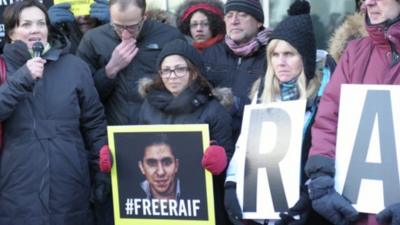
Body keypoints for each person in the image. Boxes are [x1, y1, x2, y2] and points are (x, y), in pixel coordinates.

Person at [223, 1, 332, 225]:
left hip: (304, 209)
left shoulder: (323, 100)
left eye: (289, 54)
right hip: (261, 209)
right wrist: (232, 184)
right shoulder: (261, 93)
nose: (280, 62)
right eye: (275, 54)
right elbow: (245, 146)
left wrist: (308, 196)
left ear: (305, 58)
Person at [0, 0, 108, 224]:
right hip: (15, 189)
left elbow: (94, 123)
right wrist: (22, 78)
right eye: (26, 24)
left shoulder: (75, 66)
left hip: (70, 185)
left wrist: (101, 175)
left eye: (41, 23)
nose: (35, 30)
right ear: (11, 32)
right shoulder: (3, 68)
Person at [305, 0, 400, 225]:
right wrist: (320, 178)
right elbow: (329, 118)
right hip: (355, 212)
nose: (368, 2)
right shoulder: (354, 52)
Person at [76, 0, 184, 126]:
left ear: (144, 17)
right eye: (117, 26)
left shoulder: (169, 36)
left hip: (161, 126)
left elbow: (188, 83)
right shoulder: (93, 39)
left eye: (132, 26)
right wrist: (110, 70)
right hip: (114, 128)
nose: (125, 33)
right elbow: (84, 95)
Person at [202, 0, 272, 142]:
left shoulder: (273, 55)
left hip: (256, 141)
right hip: (216, 141)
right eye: (229, 15)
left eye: (243, 15)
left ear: (258, 22)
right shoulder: (209, 55)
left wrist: (239, 104)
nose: (234, 21)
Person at [138, 134, 180, 200]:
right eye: (152, 163)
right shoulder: (130, 194)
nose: (161, 172)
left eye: (167, 163)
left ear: (176, 165)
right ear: (141, 167)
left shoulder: (195, 191)